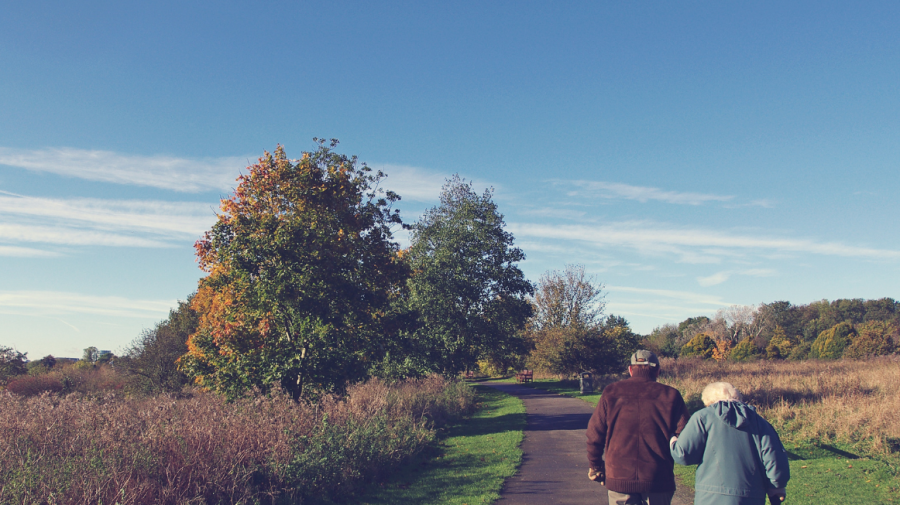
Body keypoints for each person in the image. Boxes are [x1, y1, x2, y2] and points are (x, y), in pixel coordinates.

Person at [586, 350, 689, 505]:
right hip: (658, 478)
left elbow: (594, 434)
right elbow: (685, 436)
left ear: (630, 370)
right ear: (658, 371)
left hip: (619, 476)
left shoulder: (611, 392)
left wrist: (595, 466)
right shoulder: (671, 395)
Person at [669, 382, 790, 505]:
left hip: (710, 496)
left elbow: (683, 455)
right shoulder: (760, 422)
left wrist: (673, 440)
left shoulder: (702, 417)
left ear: (708, 401)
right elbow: (775, 458)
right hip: (752, 496)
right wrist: (777, 486)